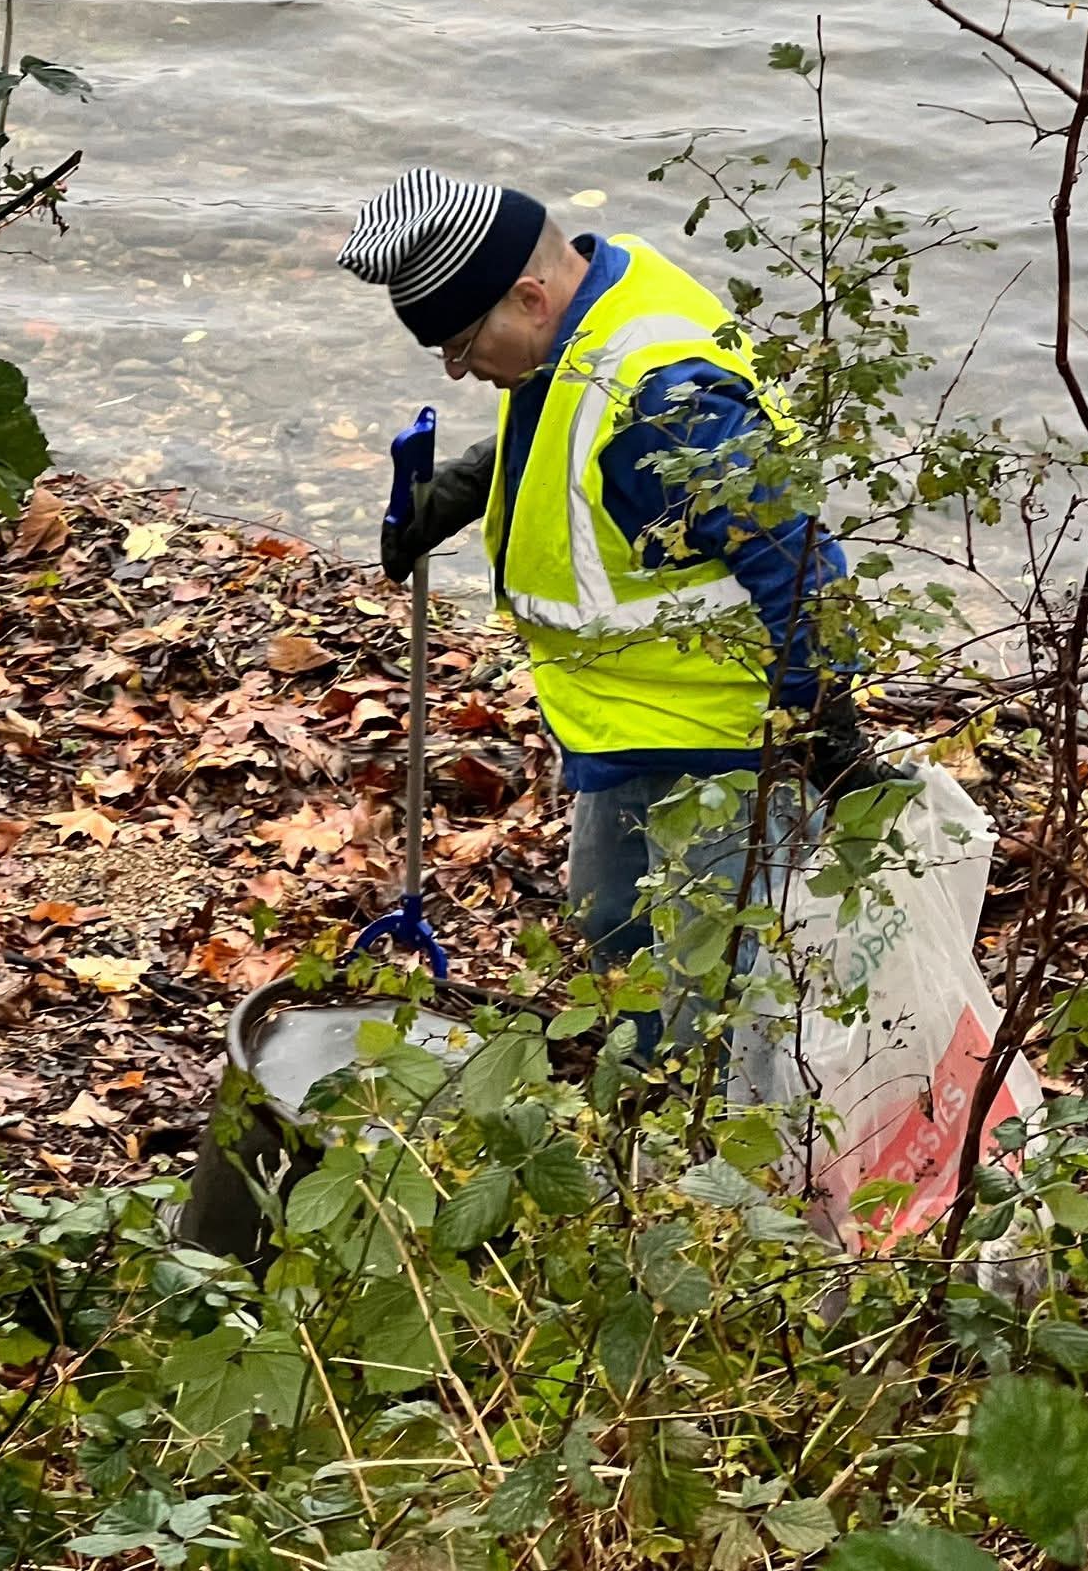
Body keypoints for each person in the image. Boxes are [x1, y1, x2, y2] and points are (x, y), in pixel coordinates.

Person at [338, 167, 886, 1052]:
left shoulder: (668, 400)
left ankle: (724, 1158)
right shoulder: (592, 307)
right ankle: (638, 1105)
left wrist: (826, 725)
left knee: (732, 999)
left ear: (527, 294)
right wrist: (469, 486)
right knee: (613, 936)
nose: (464, 372)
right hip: (624, 727)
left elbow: (797, 560)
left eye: (463, 343)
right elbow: (568, 419)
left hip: (725, 754)